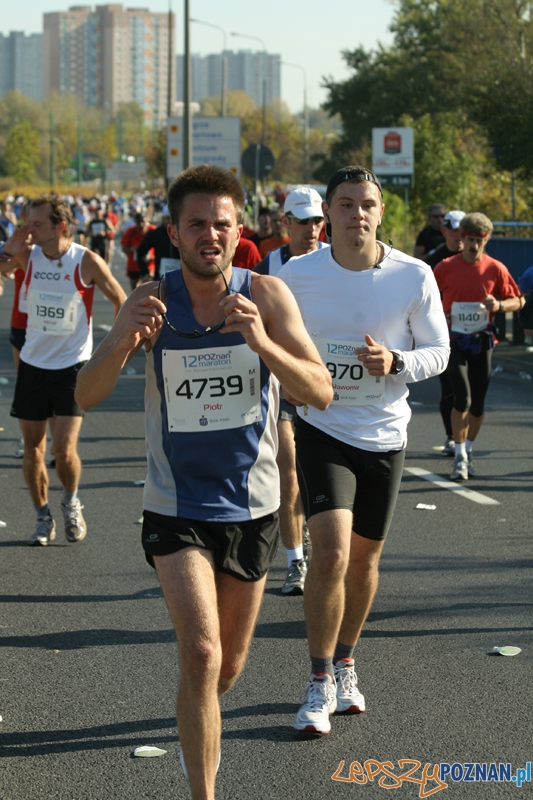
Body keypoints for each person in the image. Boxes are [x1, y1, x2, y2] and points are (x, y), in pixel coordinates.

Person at [74, 165, 332, 799]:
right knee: (202, 654)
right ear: (175, 232)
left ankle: (197, 711)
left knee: (226, 668)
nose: (209, 235)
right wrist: (121, 343)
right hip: (175, 504)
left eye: (221, 223)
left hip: (253, 507)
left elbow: (320, 391)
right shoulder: (150, 299)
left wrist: (263, 344)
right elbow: (84, 393)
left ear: (238, 228)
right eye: (197, 224)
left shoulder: (267, 296)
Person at [278, 165, 449, 736]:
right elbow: (257, 323)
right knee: (329, 553)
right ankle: (318, 680)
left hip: (385, 432)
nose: (357, 214)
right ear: (328, 213)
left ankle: (347, 660)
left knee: (366, 560)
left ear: (381, 212)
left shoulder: (413, 274)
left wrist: (397, 363)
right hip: (323, 424)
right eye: (345, 204)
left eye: (367, 204)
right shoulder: (296, 274)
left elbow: (439, 350)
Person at [0, 196, 126, 546]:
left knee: (63, 451)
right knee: (32, 450)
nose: (30, 229)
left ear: (61, 226)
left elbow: (121, 299)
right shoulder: (29, 255)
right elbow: (2, 268)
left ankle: (71, 501)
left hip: (72, 367)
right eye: (26, 222)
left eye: (37, 224)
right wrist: (14, 242)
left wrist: (111, 349)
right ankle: (42, 516)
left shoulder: (86, 261)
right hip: (33, 365)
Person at [255, 187, 328, 595]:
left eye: (318, 220)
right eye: (303, 221)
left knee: (319, 474)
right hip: (282, 384)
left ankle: (320, 540)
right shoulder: (268, 268)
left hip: (327, 384)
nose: (312, 229)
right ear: (286, 223)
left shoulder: (339, 262)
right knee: (288, 473)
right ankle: (295, 561)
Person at [434, 212, 522, 481]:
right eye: (469, 239)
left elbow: (517, 300)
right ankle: (459, 455)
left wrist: (499, 305)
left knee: (479, 403)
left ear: (486, 241)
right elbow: (424, 301)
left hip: (482, 340)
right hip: (454, 340)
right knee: (462, 397)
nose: (473, 246)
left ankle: (468, 449)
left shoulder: (496, 268)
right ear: (462, 238)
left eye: (478, 241)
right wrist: (440, 315)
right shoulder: (445, 267)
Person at [427, 210, 466, 456]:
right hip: (444, 334)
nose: (459, 236)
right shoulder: (435, 261)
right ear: (444, 231)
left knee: (471, 391)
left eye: (464, 232)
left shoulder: (476, 258)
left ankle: (464, 436)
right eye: (454, 230)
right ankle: (452, 436)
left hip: (474, 336)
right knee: (452, 386)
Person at [137, 205, 181, 282]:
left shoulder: (183, 234)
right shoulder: (155, 234)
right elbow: (140, 252)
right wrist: (145, 273)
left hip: (183, 278)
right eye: (167, 218)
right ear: (162, 218)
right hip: (161, 279)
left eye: (173, 218)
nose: (170, 221)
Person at [121, 212, 156, 291]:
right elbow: (124, 248)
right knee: (134, 289)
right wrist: (133, 249)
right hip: (134, 264)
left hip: (149, 264)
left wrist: (154, 255)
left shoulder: (153, 230)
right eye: (138, 222)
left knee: (149, 286)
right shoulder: (131, 231)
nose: (141, 224)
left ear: (147, 221)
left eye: (143, 222)